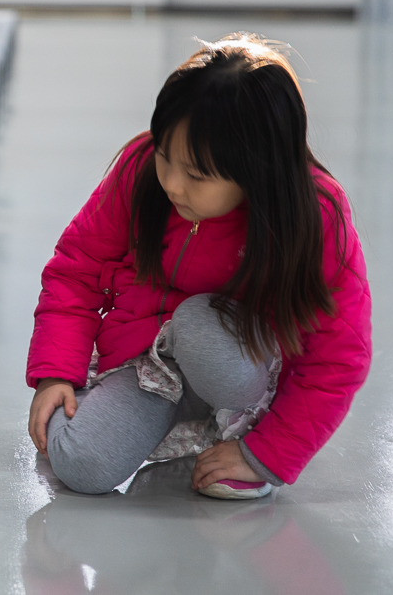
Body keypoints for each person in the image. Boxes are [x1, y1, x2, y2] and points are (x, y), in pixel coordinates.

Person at [25, 34, 372, 499]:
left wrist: (265, 455)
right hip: (150, 363)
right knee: (78, 463)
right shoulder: (139, 171)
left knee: (197, 324)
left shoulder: (315, 217)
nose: (171, 183)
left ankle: (238, 431)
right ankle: (180, 421)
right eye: (165, 156)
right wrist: (57, 372)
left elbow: (339, 354)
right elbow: (77, 269)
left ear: (257, 170)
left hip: (241, 368)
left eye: (196, 175)